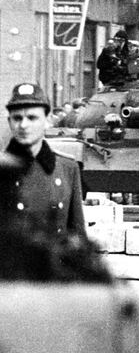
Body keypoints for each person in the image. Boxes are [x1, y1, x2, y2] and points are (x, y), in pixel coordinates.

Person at [0, 83, 86, 240]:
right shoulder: (3, 170)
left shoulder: (67, 168)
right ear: (9, 122)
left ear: (47, 121)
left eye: (32, 117)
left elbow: (77, 238)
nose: (24, 125)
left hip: (53, 262)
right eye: (17, 118)